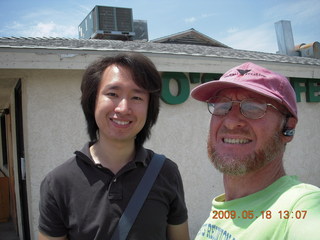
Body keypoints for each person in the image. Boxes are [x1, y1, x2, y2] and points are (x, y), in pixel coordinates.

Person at [38, 52, 190, 240]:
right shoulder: (58, 182)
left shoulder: (166, 172)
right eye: (112, 94)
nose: (123, 108)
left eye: (137, 97)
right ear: (92, 101)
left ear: (149, 108)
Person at [191, 62, 320, 240]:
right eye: (222, 106)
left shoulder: (302, 207)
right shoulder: (223, 209)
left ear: (288, 127)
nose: (230, 121)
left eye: (253, 107)